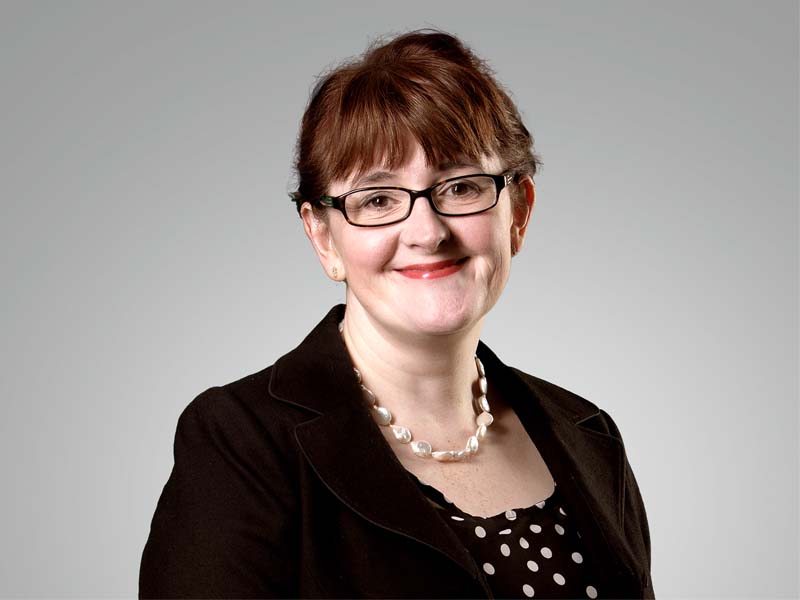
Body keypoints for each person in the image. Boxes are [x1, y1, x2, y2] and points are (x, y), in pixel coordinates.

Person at [139, 30, 654, 599]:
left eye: (460, 187)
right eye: (378, 200)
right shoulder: (243, 443)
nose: (427, 232)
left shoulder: (590, 435)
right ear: (323, 238)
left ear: (518, 213)